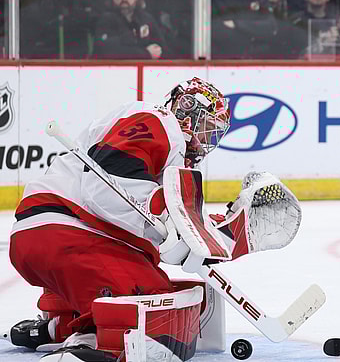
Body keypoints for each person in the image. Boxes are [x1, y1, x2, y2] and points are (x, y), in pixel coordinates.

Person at [7, 77, 230, 362]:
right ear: (188, 113)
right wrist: (168, 221)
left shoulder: (166, 147)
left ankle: (59, 326)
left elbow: (137, 210)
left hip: (48, 237)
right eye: (206, 128)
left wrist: (196, 229)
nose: (204, 142)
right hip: (67, 234)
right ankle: (88, 341)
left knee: (147, 276)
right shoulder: (160, 122)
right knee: (151, 307)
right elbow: (106, 188)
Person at [20, 0, 94, 59]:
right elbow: (39, 27)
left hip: (74, 57)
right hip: (45, 58)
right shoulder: (33, 6)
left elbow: (86, 22)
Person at [93, 0, 169, 59]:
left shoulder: (146, 19)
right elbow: (106, 49)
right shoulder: (106, 19)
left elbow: (161, 47)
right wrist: (145, 53)